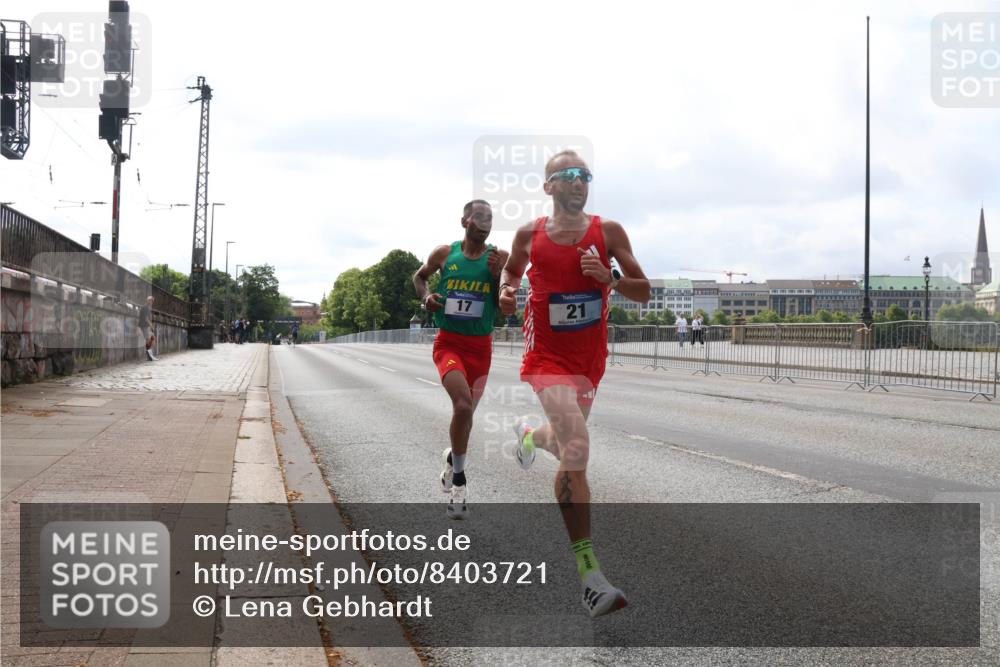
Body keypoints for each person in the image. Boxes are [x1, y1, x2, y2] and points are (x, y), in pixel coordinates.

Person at [499, 150, 650, 617]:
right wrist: (506, 291)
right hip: (546, 356)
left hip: (589, 359)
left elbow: (644, 290)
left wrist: (610, 278)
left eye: (584, 174)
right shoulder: (529, 235)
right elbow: (511, 271)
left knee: (564, 442)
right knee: (578, 447)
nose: (578, 181)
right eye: (567, 175)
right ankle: (590, 578)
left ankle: (529, 436)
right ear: (548, 187)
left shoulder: (609, 232)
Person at [413, 200, 508, 519]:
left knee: (465, 418)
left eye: (490, 218)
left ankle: (452, 459)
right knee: (463, 406)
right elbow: (419, 277)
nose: (486, 223)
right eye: (479, 217)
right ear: (465, 221)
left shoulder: (499, 258)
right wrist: (427, 297)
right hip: (449, 344)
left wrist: (497, 277)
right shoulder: (445, 254)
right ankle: (459, 483)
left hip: (480, 348)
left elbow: (503, 307)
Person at [138, 296, 157, 361]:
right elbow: (146, 319)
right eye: (151, 301)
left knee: (152, 340)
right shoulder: (145, 307)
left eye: (153, 301)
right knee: (149, 340)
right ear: (148, 300)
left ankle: (150, 356)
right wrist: (151, 325)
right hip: (144, 326)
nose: (152, 302)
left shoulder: (147, 308)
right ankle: (149, 357)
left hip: (146, 326)